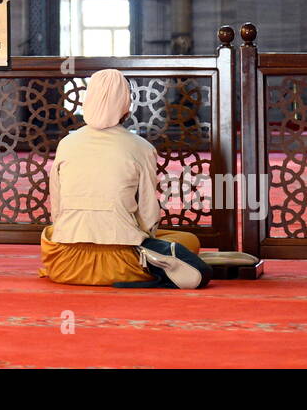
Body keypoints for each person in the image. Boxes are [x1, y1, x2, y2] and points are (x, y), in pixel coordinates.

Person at [39, 68, 211, 289]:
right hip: (123, 262)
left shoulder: (66, 144)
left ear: (88, 99)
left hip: (65, 263)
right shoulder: (141, 148)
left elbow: (58, 208)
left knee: (53, 231)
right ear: (126, 105)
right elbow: (148, 216)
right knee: (189, 240)